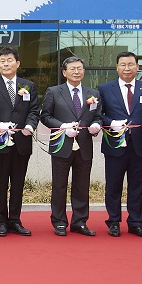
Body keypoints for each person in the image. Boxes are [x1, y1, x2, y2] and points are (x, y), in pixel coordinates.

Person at [99, 51, 142, 237]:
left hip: (140, 145)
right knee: (113, 186)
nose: (127, 68)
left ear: (137, 67)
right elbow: (99, 114)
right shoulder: (104, 88)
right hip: (115, 144)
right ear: (117, 67)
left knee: (138, 186)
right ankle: (113, 222)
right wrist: (111, 122)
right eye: (123, 65)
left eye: (131, 64)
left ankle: (136, 222)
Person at [40, 57, 103, 236]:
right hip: (62, 144)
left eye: (79, 68)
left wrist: (96, 125)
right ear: (64, 72)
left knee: (82, 186)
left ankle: (80, 222)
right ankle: (59, 221)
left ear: (84, 71)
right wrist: (62, 126)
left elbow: (98, 116)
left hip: (84, 146)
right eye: (72, 68)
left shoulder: (93, 93)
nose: (76, 72)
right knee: (59, 186)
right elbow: (45, 116)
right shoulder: (54, 91)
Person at [0, 47, 40, 237]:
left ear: (18, 63)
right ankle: (0, 221)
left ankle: (15, 220)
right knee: (0, 183)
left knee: (18, 183)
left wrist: (30, 126)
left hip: (22, 142)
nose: (6, 64)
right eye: (2, 61)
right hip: (0, 141)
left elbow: (34, 111)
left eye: (9, 60)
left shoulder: (28, 85)